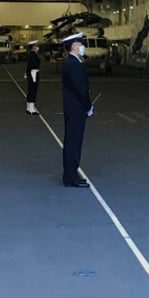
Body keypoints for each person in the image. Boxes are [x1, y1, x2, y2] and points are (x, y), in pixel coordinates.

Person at [60, 32, 92, 187]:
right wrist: (88, 106)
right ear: (73, 46)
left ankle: (70, 174)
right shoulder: (74, 65)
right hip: (77, 108)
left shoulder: (71, 62)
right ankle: (72, 177)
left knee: (71, 141)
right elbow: (81, 89)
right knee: (74, 142)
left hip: (71, 107)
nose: (82, 47)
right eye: (80, 44)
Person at [25, 40, 41, 114]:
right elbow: (33, 65)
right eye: (36, 45)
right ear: (33, 46)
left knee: (31, 90)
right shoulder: (33, 54)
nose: (38, 47)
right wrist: (33, 76)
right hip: (33, 73)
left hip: (32, 73)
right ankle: (31, 108)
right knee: (33, 91)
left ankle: (29, 107)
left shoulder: (32, 53)